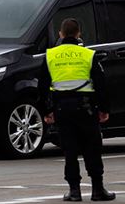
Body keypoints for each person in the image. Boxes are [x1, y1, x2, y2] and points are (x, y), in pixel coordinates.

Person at [40, 18, 115, 202]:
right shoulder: (88, 55)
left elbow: (42, 87)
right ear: (78, 34)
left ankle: (74, 192)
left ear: (61, 34)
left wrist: (46, 111)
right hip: (86, 109)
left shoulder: (50, 55)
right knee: (92, 148)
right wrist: (104, 109)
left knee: (69, 150)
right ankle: (98, 190)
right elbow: (101, 84)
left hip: (62, 109)